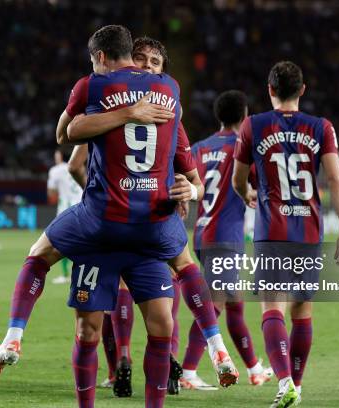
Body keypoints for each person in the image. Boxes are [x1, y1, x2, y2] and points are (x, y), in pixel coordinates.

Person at [65, 36, 238, 395]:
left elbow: (196, 184)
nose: (145, 65)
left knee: (157, 306)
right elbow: (74, 160)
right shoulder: (108, 108)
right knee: (119, 298)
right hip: (122, 220)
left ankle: (149, 363)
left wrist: (188, 191)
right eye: (140, 58)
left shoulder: (167, 115)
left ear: (162, 73)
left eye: (154, 62)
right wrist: (101, 193)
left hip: (150, 219)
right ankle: (126, 363)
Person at [232, 61, 339, 407]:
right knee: (302, 310)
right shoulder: (321, 127)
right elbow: (336, 179)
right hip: (309, 230)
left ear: (269, 89)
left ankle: (285, 384)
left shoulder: (252, 126)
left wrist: (247, 194)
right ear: (302, 89)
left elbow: (238, 178)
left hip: (272, 230)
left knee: (273, 308)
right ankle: (295, 384)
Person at [180, 90, 273, 391]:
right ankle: (188, 371)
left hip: (201, 232)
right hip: (225, 235)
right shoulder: (244, 147)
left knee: (234, 305)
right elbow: (261, 185)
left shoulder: (200, 147)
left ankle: (255, 369)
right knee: (215, 306)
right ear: (245, 116)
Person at [47, 149, 83, 284]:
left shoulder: (55, 170)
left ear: (60, 156)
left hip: (66, 210)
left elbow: (51, 193)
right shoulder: (81, 165)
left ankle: (66, 274)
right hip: (84, 207)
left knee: (61, 243)